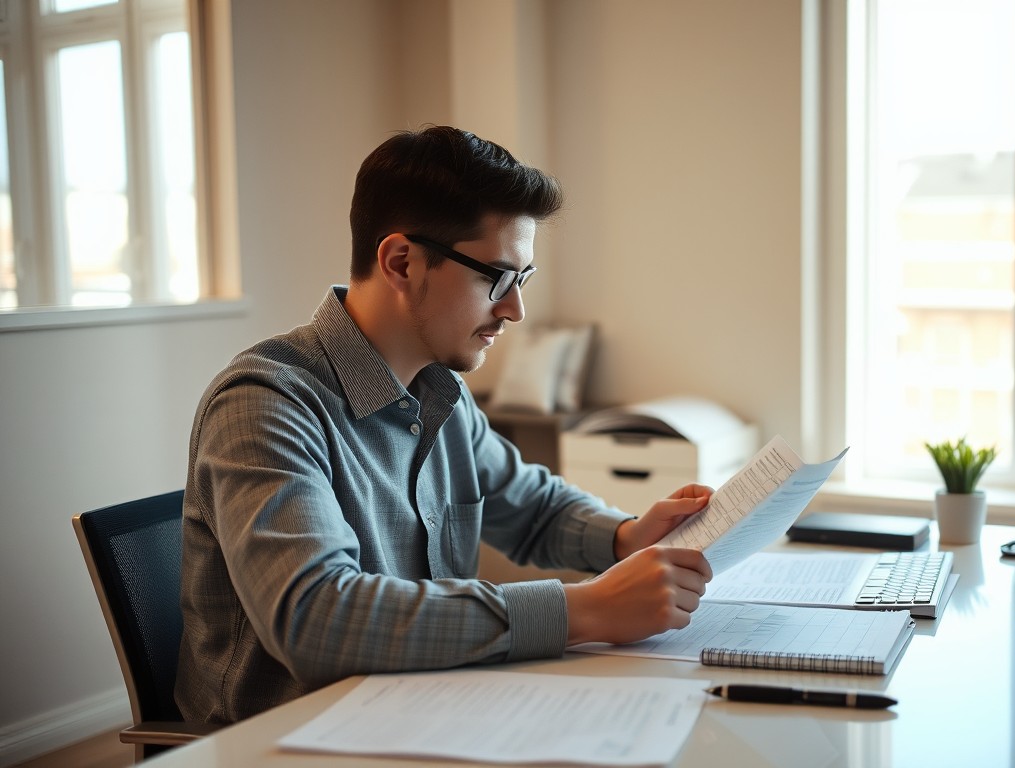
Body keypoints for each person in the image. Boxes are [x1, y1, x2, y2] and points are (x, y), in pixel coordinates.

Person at [176, 125, 715, 724]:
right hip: (294, 741)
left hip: (422, 712)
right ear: (403, 261)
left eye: (522, 280)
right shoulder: (264, 404)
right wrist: (580, 610)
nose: (515, 310)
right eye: (499, 278)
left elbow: (530, 507)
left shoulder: (441, 391)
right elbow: (315, 616)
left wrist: (626, 537)